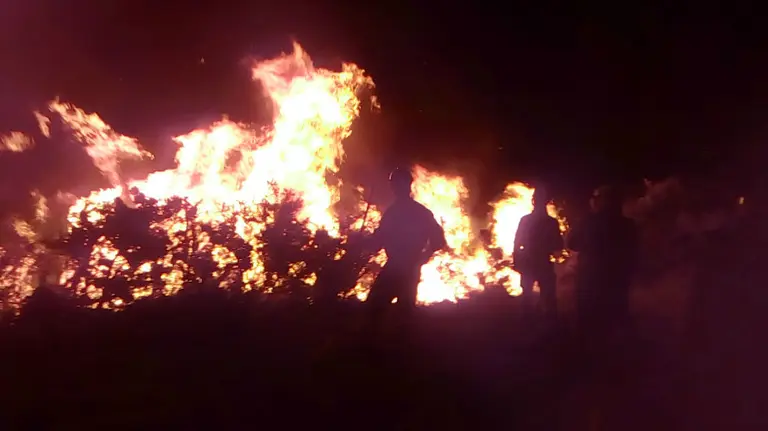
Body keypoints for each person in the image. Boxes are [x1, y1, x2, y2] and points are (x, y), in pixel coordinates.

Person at [365, 167, 448, 323]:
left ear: (406, 185)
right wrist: (424, 256)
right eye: (394, 184)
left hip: (398, 268)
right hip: (407, 268)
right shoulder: (415, 212)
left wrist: (424, 256)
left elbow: (438, 239)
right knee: (401, 312)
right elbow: (379, 240)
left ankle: (379, 343)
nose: (395, 188)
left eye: (397, 184)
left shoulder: (397, 212)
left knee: (375, 310)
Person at [568, 185, 638, 337]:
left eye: (596, 198)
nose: (592, 201)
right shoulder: (628, 225)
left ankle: (588, 353)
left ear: (602, 201)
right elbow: (634, 252)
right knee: (615, 320)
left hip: (590, 279)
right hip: (618, 280)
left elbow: (572, 243)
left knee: (588, 322)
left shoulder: (588, 222)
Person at [513, 187, 563, 318]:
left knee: (529, 295)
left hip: (529, 262)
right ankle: (548, 322)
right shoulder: (551, 222)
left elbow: (518, 243)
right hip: (542, 262)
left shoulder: (526, 220)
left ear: (533, 201)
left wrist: (517, 260)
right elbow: (558, 246)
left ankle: (529, 322)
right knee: (548, 295)